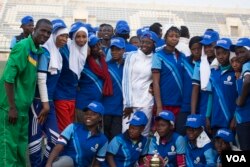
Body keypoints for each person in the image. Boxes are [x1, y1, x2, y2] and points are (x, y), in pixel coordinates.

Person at [0, 18, 52, 167]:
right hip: (10, 108)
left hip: (22, 110)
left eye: (49, 32)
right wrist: (11, 107)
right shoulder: (22, 47)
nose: (46, 34)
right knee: (7, 151)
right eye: (43, 30)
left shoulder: (37, 50)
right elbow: (8, 79)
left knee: (19, 150)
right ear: (34, 29)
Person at [28, 19, 69, 167]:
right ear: (54, 36)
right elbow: (41, 80)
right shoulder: (45, 52)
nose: (64, 39)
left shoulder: (57, 54)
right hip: (38, 102)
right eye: (61, 36)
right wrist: (45, 105)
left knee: (54, 138)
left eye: (66, 36)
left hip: (48, 103)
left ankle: (44, 164)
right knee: (35, 140)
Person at [45, 101, 108, 167]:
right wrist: (48, 164)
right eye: (86, 113)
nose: (88, 116)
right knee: (56, 165)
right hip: (67, 164)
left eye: (93, 114)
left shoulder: (103, 140)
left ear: (100, 118)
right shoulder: (72, 127)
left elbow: (97, 163)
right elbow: (58, 146)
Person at [54, 22, 88, 132]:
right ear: (72, 38)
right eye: (78, 36)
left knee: (69, 126)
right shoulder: (65, 48)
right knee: (65, 128)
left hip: (72, 96)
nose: (81, 40)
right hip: (61, 95)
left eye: (84, 36)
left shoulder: (84, 51)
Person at [122, 30, 158, 136]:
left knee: (144, 133)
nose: (144, 45)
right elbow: (126, 80)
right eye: (142, 42)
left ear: (154, 44)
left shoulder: (156, 58)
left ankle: (142, 153)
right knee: (127, 132)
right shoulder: (131, 56)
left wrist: (152, 86)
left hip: (147, 102)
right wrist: (128, 103)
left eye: (148, 42)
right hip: (130, 104)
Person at [152, 26, 186, 117]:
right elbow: (155, 82)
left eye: (177, 36)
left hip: (180, 103)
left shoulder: (182, 56)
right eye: (171, 36)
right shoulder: (158, 55)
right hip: (164, 103)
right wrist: (159, 106)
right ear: (165, 38)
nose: (174, 38)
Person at [206, 38, 237, 135]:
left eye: (224, 53)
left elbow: (240, 97)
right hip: (216, 120)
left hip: (230, 121)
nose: (221, 56)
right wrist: (207, 116)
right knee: (217, 148)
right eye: (218, 53)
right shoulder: (213, 72)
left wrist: (235, 117)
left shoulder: (236, 73)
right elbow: (211, 96)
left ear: (230, 53)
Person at [75, 33, 113, 112]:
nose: (99, 48)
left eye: (99, 44)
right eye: (94, 46)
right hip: (83, 104)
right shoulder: (83, 62)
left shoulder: (102, 60)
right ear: (88, 48)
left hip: (98, 104)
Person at [176, 36, 202, 135]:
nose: (196, 51)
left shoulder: (206, 64)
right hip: (184, 105)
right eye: (193, 49)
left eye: (199, 48)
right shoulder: (184, 61)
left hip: (201, 106)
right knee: (181, 132)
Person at [191, 29, 220, 118]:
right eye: (205, 46)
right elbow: (195, 89)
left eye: (210, 46)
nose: (208, 49)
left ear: (217, 44)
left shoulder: (223, 63)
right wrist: (193, 113)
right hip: (205, 102)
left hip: (219, 103)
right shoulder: (199, 64)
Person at [102, 37, 125, 141]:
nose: (115, 52)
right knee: (105, 136)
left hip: (120, 110)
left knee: (116, 137)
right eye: (113, 49)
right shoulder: (105, 66)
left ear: (123, 50)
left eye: (118, 49)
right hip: (106, 108)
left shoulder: (128, 66)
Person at [231, 40, 250, 150]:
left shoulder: (247, 65)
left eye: (242, 52)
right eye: (237, 53)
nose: (239, 56)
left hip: (245, 118)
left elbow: (247, 81)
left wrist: (240, 100)